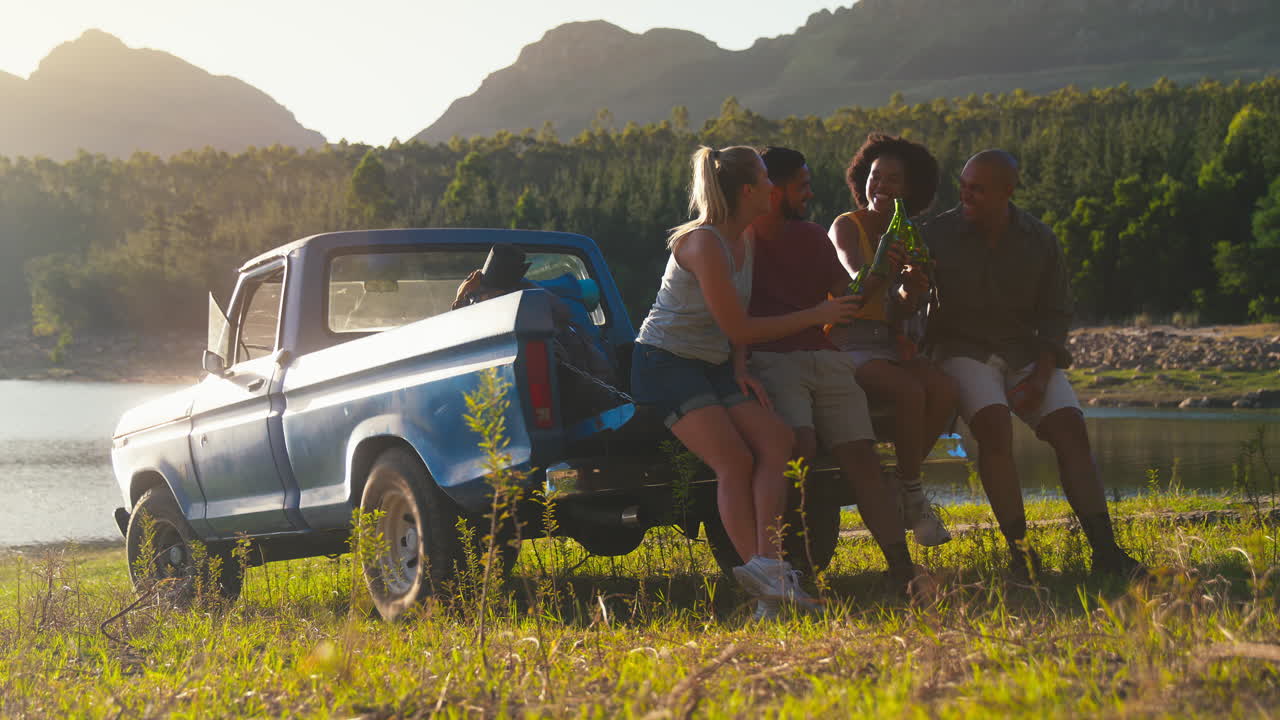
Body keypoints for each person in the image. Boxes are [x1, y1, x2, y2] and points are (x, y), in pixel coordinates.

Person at [631, 145, 860, 618]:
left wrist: (738, 366)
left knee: (777, 440)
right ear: (748, 191)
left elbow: (738, 320)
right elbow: (739, 325)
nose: (775, 189)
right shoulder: (703, 243)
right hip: (665, 362)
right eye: (765, 180)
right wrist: (816, 315)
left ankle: (767, 574)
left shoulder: (744, 238)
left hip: (714, 364)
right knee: (733, 459)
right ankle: (767, 573)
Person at [923, 149, 1144, 578]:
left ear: (1008, 191)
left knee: (1071, 432)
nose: (966, 195)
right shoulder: (934, 235)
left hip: (1026, 352)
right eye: (963, 186)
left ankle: (1107, 553)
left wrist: (1042, 377)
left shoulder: (1040, 238)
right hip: (962, 350)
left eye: (978, 189)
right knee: (993, 427)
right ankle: (1022, 556)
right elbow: (913, 306)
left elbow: (1056, 313)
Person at [746, 146, 934, 595]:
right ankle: (795, 566)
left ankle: (901, 569)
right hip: (773, 357)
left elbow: (848, 294)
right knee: (801, 448)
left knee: (862, 457)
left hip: (824, 355)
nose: (811, 193)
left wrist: (887, 266)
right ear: (773, 190)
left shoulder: (811, 236)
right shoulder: (743, 242)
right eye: (802, 185)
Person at [828, 134, 958, 547]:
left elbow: (899, 311)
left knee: (942, 389)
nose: (880, 185)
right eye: (874, 176)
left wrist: (912, 289)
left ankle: (902, 483)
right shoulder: (846, 227)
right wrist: (888, 264)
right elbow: (857, 283)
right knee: (907, 391)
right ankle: (915, 497)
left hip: (886, 340)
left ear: (910, 189)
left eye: (893, 179)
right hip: (846, 342)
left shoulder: (909, 234)